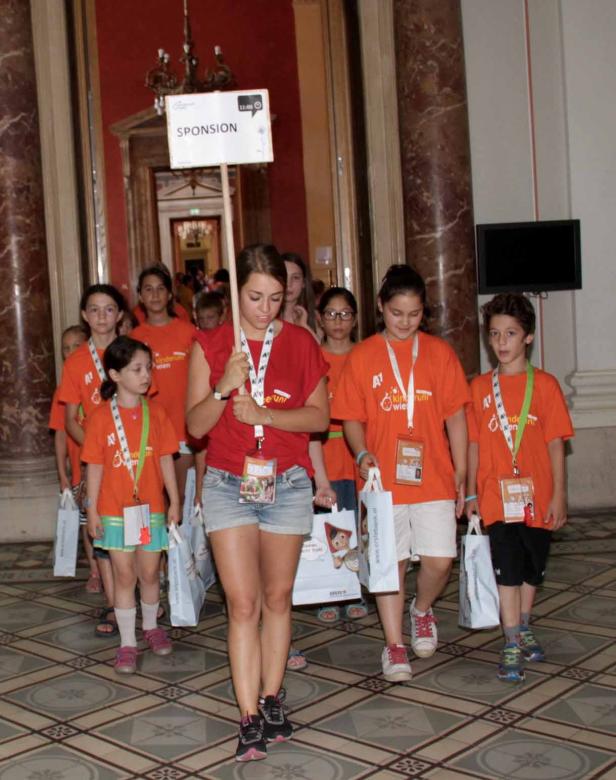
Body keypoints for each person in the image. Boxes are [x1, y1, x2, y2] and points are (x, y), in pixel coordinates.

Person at [186, 244, 329, 762]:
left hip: (287, 481)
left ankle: (271, 698)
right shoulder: (210, 344)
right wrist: (224, 388)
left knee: (278, 598)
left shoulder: (301, 343)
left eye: (275, 297)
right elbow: (195, 427)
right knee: (242, 604)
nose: (265, 309)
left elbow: (318, 419)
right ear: (235, 293)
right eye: (254, 297)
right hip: (228, 484)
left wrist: (266, 417)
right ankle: (247, 717)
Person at [332, 265, 469, 682]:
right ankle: (393, 645)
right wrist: (361, 453)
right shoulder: (362, 356)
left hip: (434, 477)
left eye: (413, 314)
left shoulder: (440, 353)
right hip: (382, 482)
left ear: (423, 312)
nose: (405, 322)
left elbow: (456, 418)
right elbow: (351, 418)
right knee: (388, 564)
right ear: (380, 308)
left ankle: (422, 610)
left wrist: (462, 472)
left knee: (440, 560)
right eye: (396, 313)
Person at [465, 293, 573, 682]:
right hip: (496, 497)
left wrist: (559, 494)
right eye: (494, 334)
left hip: (536, 495)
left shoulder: (544, 385)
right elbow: (474, 443)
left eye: (510, 333)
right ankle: (511, 640)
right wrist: (472, 492)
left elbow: (556, 442)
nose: (502, 342)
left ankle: (523, 623)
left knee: (532, 568)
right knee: (506, 570)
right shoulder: (479, 388)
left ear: (527, 337)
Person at [83, 336, 180, 674]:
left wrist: (174, 500)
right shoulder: (99, 418)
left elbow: (167, 458)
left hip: (150, 507)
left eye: (148, 368)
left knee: (150, 571)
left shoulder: (157, 413)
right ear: (115, 374)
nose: (146, 375)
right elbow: (94, 466)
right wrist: (92, 508)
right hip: (113, 510)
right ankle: (127, 642)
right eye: (137, 369)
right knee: (124, 576)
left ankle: (152, 626)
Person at [58, 284, 127, 635]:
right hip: (97, 462)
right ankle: (115, 606)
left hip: (132, 461)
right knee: (103, 533)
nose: (102, 316)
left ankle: (142, 600)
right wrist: (98, 451)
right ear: (85, 316)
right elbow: (70, 419)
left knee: (135, 532)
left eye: (109, 309)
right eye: (95, 309)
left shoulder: (131, 353)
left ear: (120, 315)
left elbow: (148, 406)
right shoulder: (76, 362)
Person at [313, 287, 367, 623]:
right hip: (323, 453)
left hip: (355, 455)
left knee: (356, 524)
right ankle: (327, 591)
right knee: (327, 525)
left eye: (345, 314)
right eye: (331, 314)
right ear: (320, 318)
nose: (338, 321)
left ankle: (354, 589)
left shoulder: (365, 355)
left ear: (355, 319)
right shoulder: (313, 357)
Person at [131, 266, 198, 508]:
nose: (155, 295)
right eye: (148, 289)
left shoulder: (188, 331)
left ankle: (181, 544)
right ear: (140, 296)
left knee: (181, 494)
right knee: (156, 495)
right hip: (151, 427)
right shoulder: (134, 338)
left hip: (184, 426)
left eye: (161, 289)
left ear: (170, 294)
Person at [49, 325, 88, 572]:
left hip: (103, 466)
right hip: (77, 469)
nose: (71, 351)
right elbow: (61, 435)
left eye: (77, 345)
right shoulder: (62, 391)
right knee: (86, 522)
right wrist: (63, 476)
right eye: (66, 348)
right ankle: (95, 571)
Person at [281, 252, 319, 336]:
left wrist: (304, 326)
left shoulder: (316, 318)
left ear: (304, 283)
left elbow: (320, 349)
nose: (288, 284)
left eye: (295, 278)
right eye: (284, 277)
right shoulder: (266, 316)